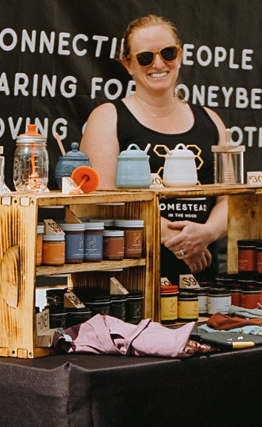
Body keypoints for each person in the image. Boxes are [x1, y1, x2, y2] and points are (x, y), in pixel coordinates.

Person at [80, 15, 228, 284]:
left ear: (179, 56)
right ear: (128, 64)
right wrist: (176, 240)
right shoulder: (108, 118)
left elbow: (229, 199)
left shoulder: (211, 120)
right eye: (145, 58)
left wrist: (206, 233)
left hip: (203, 278)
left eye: (167, 53)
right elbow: (100, 201)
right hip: (129, 280)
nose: (158, 64)